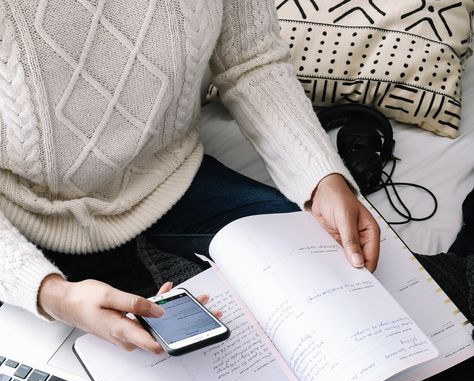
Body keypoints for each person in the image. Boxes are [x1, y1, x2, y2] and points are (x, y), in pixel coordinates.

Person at [0, 1, 380, 355]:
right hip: (26, 217)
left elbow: (250, 60)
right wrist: (50, 295)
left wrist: (321, 178)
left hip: (173, 176)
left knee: (340, 286)